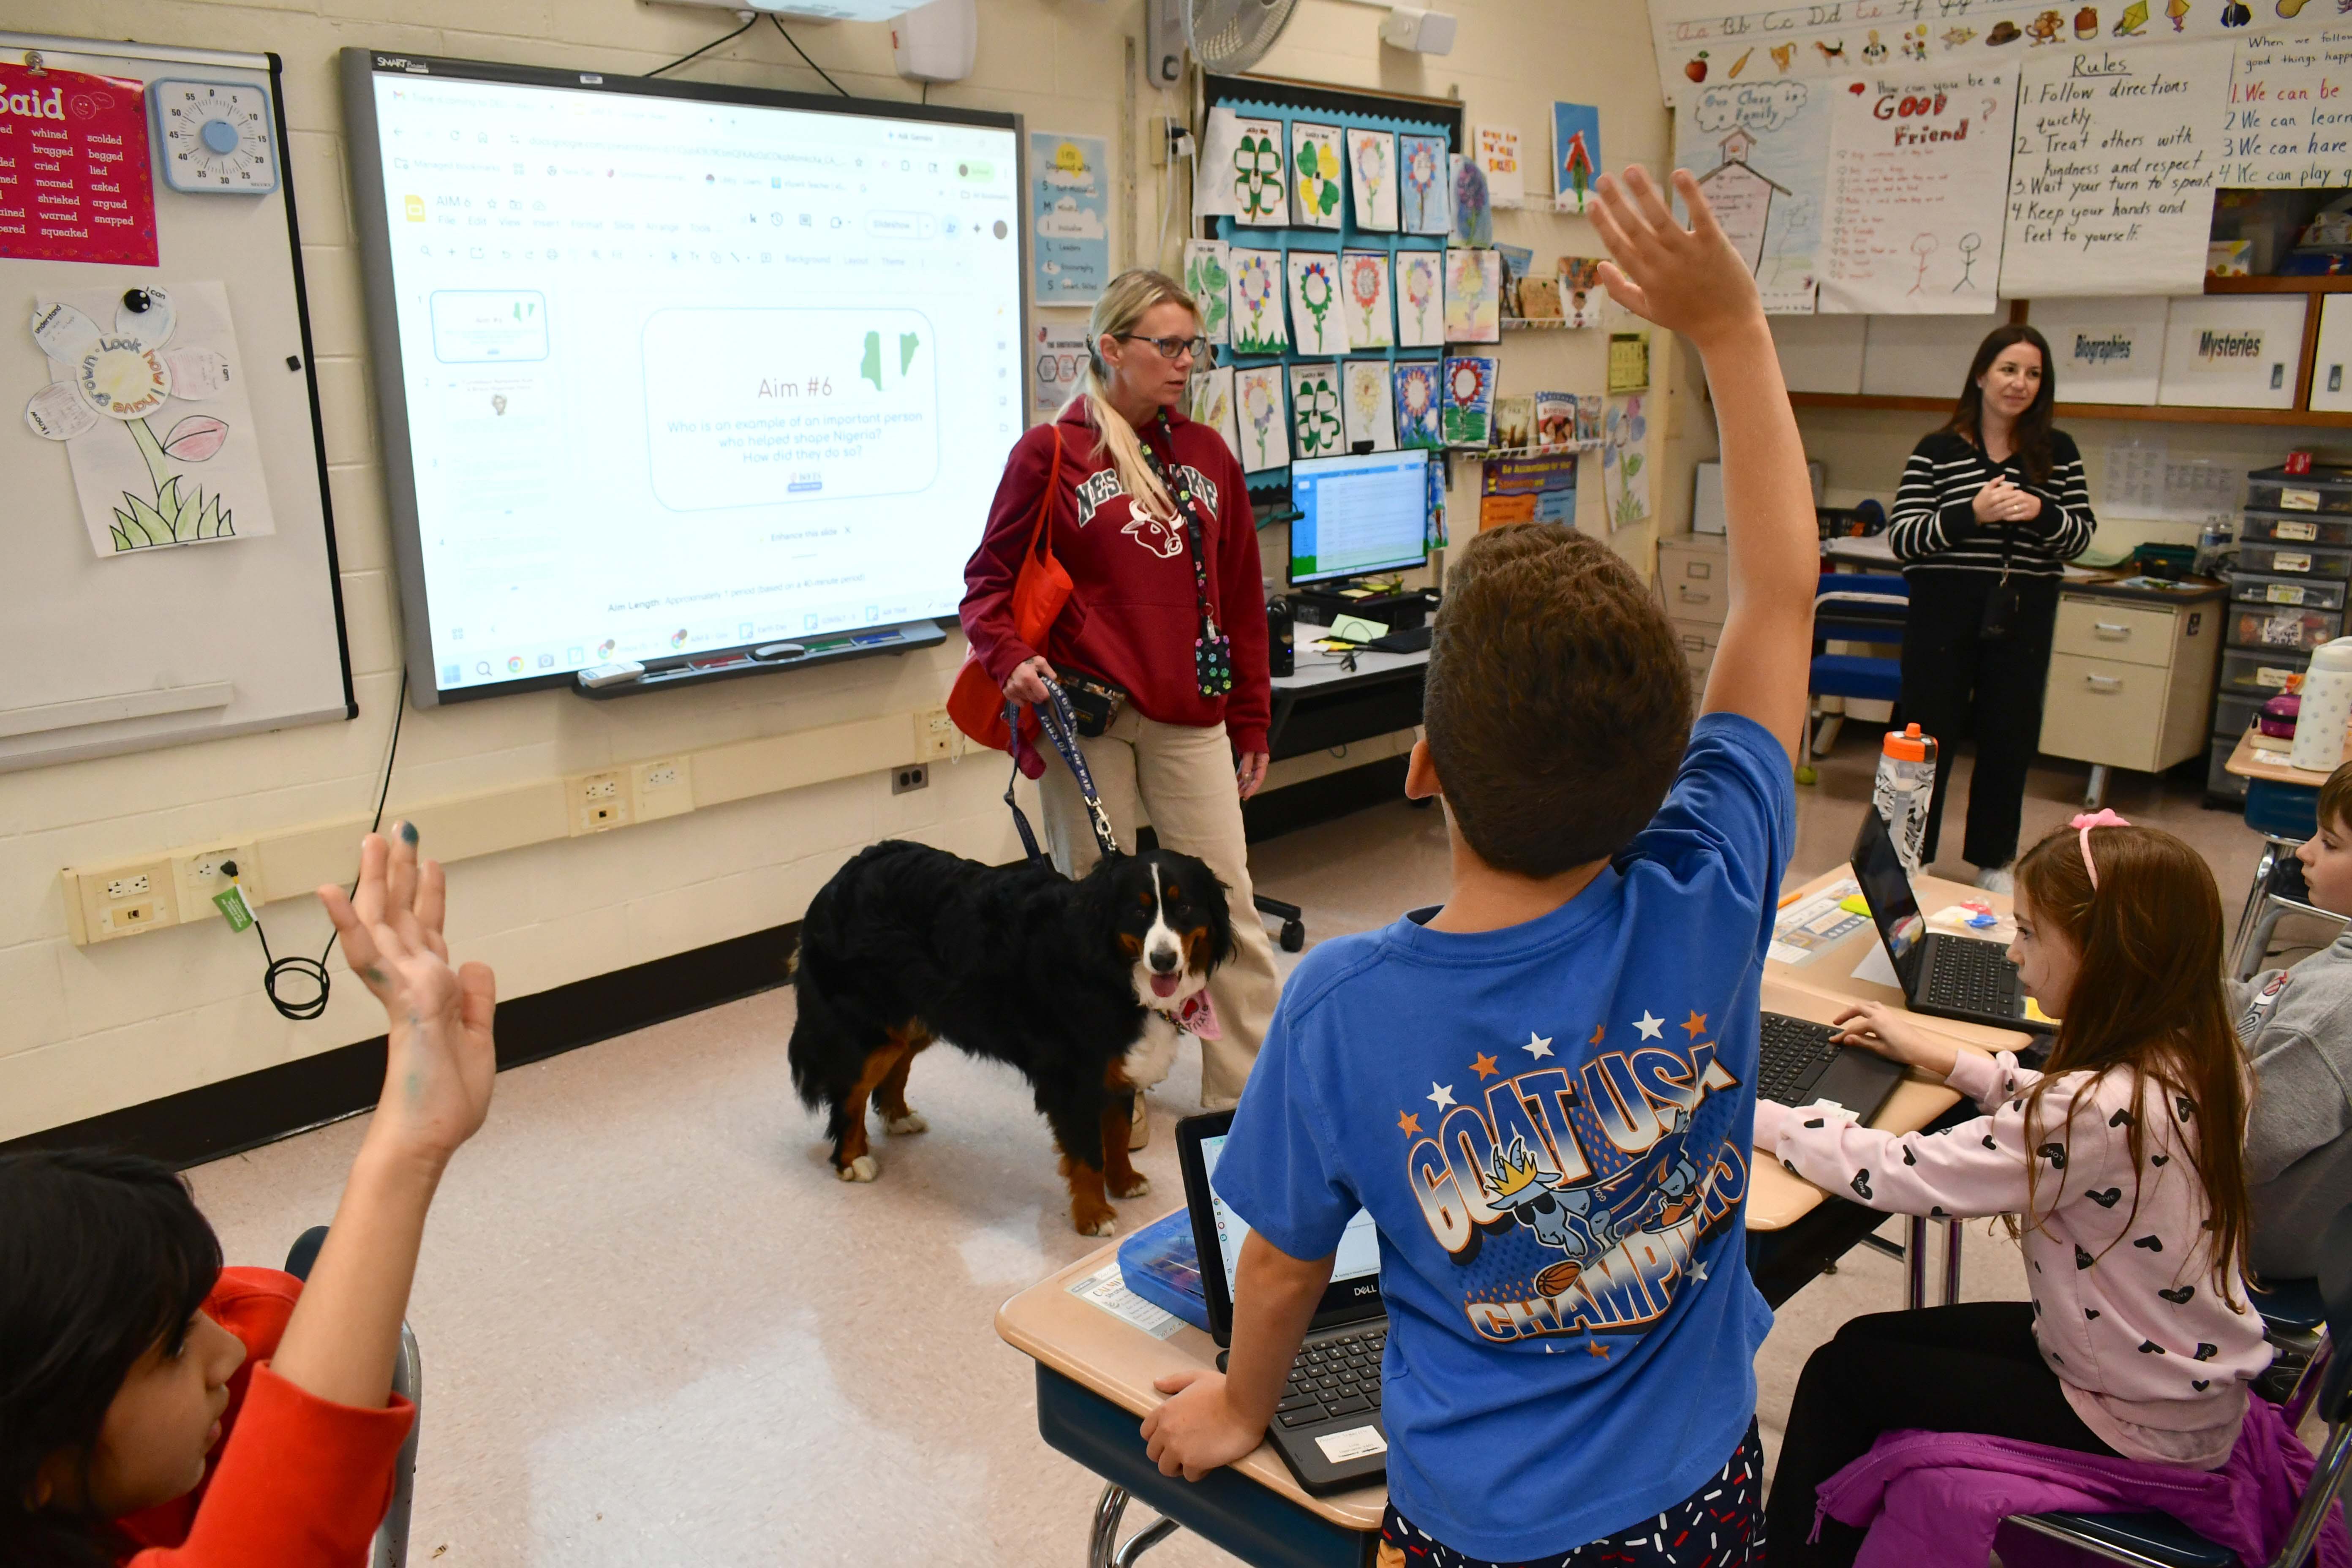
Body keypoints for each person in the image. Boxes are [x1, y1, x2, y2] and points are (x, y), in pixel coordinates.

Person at [1140, 166, 1818, 1568]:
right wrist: (1733, 330)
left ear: (1421, 768)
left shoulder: (1339, 1008)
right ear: (1657, 777)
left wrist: (1234, 1403)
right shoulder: (1709, 885)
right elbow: (1778, 592)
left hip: (1482, 1534)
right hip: (1701, 1495)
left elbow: (1276, 1266)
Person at [1759, 814, 2270, 1568]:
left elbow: (1906, 1172)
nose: (2011, 952)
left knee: (1840, 1375)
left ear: (2105, 954)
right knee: (1860, 1346)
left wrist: (1761, 1117)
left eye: (2029, 933)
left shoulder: (2092, 1110)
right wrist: (1955, 1060)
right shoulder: (2196, 1053)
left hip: (2129, 1414)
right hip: (2166, 1378)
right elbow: (2065, 1119)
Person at [0, 824, 498, 1566]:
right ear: (36, 1462)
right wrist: (410, 1148)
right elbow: (282, 1529)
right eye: (170, 1349)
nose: (228, 1352)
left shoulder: (242, 1327)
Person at [961, 267, 1278, 1119]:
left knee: (1230, 906)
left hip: (1190, 716)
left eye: (1192, 345)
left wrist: (1252, 713)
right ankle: (1110, 1094)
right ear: (1112, 348)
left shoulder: (1208, 455)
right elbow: (986, 587)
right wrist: (1009, 659)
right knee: (1092, 916)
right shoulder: (1052, 453)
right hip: (1086, 716)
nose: (1186, 362)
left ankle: (1243, 1100)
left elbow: (1244, 596)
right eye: (1167, 345)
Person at [1886, 324, 2096, 893]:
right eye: (2009, 370)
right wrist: (1972, 513)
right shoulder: (1937, 449)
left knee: (2010, 737)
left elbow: (2080, 538)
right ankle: (1910, 853)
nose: (2019, 384)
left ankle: (1995, 860)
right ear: (1982, 375)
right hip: (1944, 608)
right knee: (1925, 733)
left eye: (2033, 374)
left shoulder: (2060, 452)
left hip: (2023, 610)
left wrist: (2039, 511)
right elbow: (1903, 537)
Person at [2230, 760, 2352, 1281]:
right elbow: (2260, 1001)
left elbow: (2237, 1149)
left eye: (2330, 842)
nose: (2303, 851)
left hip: (2243, 1242)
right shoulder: (2339, 962)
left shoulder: (2330, 1013)